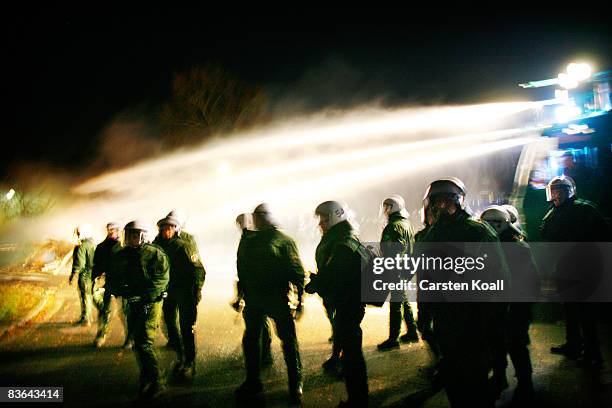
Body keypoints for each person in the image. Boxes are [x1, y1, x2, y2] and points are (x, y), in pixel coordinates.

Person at [417, 178, 509, 408]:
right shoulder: (432, 234)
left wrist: (492, 320)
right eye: (436, 202)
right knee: (454, 381)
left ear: (458, 202)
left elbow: (498, 278)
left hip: (473, 322)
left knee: (475, 383)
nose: (441, 206)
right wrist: (424, 312)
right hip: (445, 321)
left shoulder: (477, 232)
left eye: (446, 201)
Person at [235, 203, 305, 405]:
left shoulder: (283, 240)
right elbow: (241, 269)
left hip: (277, 299)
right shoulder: (248, 240)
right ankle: (253, 381)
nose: (256, 219)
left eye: (260, 216)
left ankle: (295, 382)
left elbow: (297, 271)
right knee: (251, 341)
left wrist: (300, 300)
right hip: (254, 300)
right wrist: (241, 295)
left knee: (288, 341)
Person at [306, 200, 369, 407]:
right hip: (347, 302)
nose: (320, 224)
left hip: (347, 303)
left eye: (324, 219)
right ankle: (357, 396)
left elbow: (336, 274)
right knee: (349, 349)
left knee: (352, 355)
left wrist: (317, 283)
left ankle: (358, 400)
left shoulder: (342, 242)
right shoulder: (342, 237)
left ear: (334, 217)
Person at [541, 175, 607, 368]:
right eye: (553, 190)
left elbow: (603, 235)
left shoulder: (584, 209)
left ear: (569, 192)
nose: (556, 194)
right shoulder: (553, 212)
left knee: (586, 313)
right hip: (564, 268)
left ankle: (593, 353)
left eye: (560, 190)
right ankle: (573, 345)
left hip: (583, 268)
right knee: (569, 310)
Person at [481, 205, 540, 403]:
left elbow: (531, 282)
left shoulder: (517, 248)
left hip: (515, 307)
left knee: (517, 345)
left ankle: (525, 384)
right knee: (496, 344)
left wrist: (519, 308)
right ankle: (499, 379)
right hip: (496, 306)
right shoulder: (490, 245)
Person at [113, 220, 169, 400]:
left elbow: (161, 280)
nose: (130, 238)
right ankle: (147, 375)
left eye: (134, 235)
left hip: (150, 303)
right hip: (133, 303)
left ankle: (157, 381)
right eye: (128, 235)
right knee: (137, 342)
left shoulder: (155, 254)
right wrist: (117, 289)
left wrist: (144, 296)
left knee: (145, 342)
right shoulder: (123, 254)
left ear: (143, 236)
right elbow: (116, 277)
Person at [154, 213, 206, 382]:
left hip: (185, 291)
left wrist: (197, 289)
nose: (166, 231)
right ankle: (180, 353)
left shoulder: (184, 245)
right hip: (168, 291)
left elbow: (198, 269)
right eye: (163, 228)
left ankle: (189, 361)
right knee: (169, 322)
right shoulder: (156, 246)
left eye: (169, 228)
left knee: (186, 326)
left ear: (175, 229)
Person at [231, 213, 274, 367]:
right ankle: (263, 355)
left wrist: (241, 293)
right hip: (253, 288)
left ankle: (265, 355)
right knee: (260, 324)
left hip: (258, 289)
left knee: (259, 324)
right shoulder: (251, 238)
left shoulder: (252, 240)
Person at [377, 195, 418, 351]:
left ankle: (393, 339)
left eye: (387, 207)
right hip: (405, 269)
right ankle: (412, 331)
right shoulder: (405, 223)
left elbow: (394, 251)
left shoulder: (393, 226)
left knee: (395, 304)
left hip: (396, 271)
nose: (385, 211)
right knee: (403, 300)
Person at [92, 222, 132, 348]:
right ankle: (101, 335)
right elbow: (97, 265)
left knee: (124, 312)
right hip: (108, 283)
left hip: (122, 284)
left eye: (114, 230)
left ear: (118, 231)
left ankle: (130, 337)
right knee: (104, 310)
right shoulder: (101, 247)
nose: (111, 232)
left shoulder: (125, 247)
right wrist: (94, 278)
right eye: (110, 230)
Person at [69, 224, 96, 326]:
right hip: (92, 275)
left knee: (85, 297)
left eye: (79, 233)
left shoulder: (81, 246)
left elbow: (79, 264)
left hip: (84, 276)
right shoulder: (93, 244)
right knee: (89, 296)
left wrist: (73, 276)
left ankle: (86, 319)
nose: (78, 235)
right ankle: (91, 316)